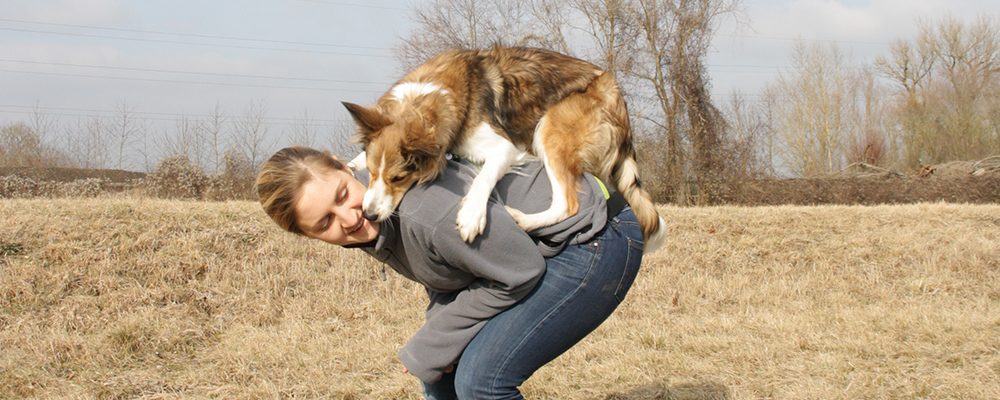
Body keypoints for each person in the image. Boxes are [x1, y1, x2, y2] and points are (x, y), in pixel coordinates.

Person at [256, 146, 644, 399]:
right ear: (308, 235)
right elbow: (452, 270)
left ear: (344, 166)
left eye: (342, 195)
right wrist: (437, 343)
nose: (350, 217)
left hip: (595, 236)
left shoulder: (421, 210)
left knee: (480, 383)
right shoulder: (374, 221)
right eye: (325, 223)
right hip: (539, 251)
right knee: (438, 374)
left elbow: (520, 270)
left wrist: (433, 339)